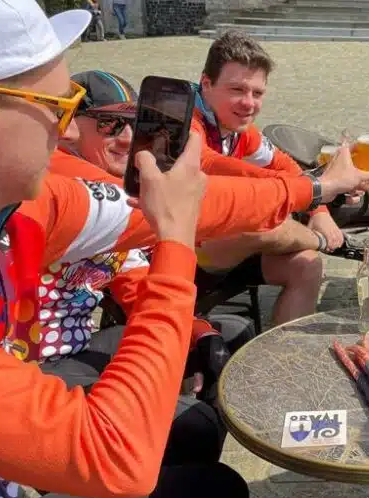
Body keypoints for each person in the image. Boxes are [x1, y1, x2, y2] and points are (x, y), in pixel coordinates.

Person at [0, 3, 369, 498]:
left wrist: (315, 190)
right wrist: (175, 244)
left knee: (208, 472)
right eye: (58, 107)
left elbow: (196, 203)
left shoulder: (20, 206)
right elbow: (115, 459)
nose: (67, 130)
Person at [46, 70, 256, 470]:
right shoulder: (68, 185)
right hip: (34, 364)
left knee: (228, 338)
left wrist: (199, 332)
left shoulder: (119, 189)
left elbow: (135, 283)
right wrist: (310, 192)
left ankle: (176, 472)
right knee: (193, 426)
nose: (127, 138)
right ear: (70, 128)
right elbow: (207, 208)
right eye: (108, 124)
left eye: (133, 123)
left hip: (81, 341)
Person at [191, 31, 353, 325]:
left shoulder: (238, 127)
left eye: (257, 93)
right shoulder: (186, 122)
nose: (248, 103)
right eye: (236, 89)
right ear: (206, 83)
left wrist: (318, 210)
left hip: (224, 248)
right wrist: (311, 189)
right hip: (180, 255)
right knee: (261, 221)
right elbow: (205, 163)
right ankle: (328, 243)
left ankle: (286, 352)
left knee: (306, 266)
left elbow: (286, 166)